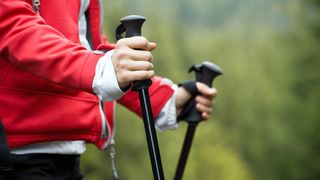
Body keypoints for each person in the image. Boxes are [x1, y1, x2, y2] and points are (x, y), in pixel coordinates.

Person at [0, 0, 218, 179]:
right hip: (15, 157)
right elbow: (12, 25)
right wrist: (98, 67)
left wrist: (163, 100)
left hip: (64, 158)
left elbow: (86, 46)